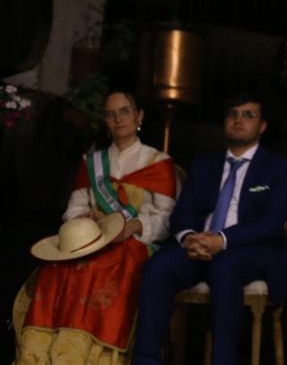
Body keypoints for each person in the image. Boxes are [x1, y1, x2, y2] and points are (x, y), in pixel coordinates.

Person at [15, 90, 179, 364]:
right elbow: (74, 208)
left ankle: (94, 356)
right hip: (91, 239)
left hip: (133, 242)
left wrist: (134, 226)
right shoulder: (91, 163)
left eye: (124, 111)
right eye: (110, 114)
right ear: (105, 121)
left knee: (102, 268)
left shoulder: (158, 164)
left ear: (138, 116)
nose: (118, 119)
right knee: (56, 267)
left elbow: (166, 217)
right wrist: (85, 218)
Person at [133, 93, 287, 365]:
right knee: (158, 266)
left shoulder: (279, 168)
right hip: (200, 246)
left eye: (248, 115)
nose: (238, 121)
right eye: (233, 114)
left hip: (252, 250)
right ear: (224, 122)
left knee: (226, 266)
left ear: (263, 126)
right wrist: (188, 239)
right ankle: (147, 360)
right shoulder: (204, 165)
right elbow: (182, 213)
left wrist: (222, 240)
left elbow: (272, 223)